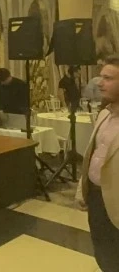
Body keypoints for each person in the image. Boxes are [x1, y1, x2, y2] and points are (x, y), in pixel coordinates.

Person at [76, 55, 119, 272]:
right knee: (102, 251)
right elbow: (92, 155)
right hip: (96, 197)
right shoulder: (103, 114)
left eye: (108, 78)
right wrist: (82, 189)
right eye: (101, 77)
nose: (99, 83)